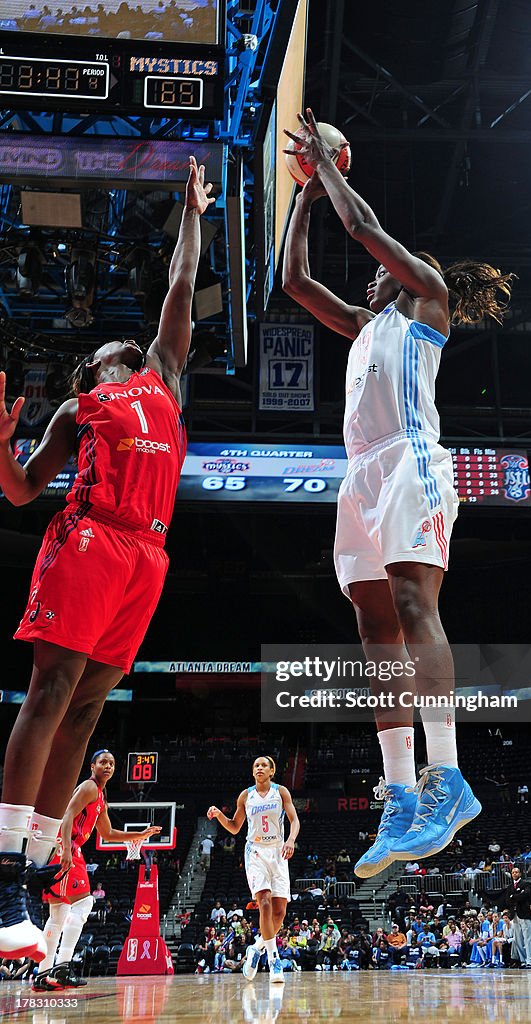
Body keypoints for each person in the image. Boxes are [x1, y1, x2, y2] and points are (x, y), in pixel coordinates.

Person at [283, 110, 513, 878]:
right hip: (361, 477)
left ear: (408, 270)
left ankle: (448, 777)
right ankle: (399, 795)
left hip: (412, 461)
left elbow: (364, 227)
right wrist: (302, 198)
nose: (372, 272)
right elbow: (293, 282)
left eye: (386, 263)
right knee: (375, 634)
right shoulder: (362, 324)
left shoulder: (427, 299)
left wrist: (329, 173)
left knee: (416, 608)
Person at [0, 156, 214, 963]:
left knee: (89, 709)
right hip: (91, 535)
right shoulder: (80, 403)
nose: (129, 338)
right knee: (52, 689)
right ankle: (2, 873)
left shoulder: (162, 376)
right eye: (112, 343)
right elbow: (22, 492)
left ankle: (33, 863)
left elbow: (181, 288)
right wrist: (0, 451)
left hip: (148, 554)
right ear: (95, 366)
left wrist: (192, 211)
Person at [35, 749, 160, 990]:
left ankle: (43, 974)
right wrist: (68, 851)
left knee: (59, 914)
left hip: (61, 846)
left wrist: (140, 835)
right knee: (84, 904)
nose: (108, 766)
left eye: (112, 763)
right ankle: (62, 968)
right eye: (103, 762)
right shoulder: (90, 787)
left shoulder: (100, 796)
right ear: (92, 766)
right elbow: (68, 813)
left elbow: (108, 834)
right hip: (66, 845)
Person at [207, 756, 300, 985]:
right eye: (256, 765)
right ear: (253, 772)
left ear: (271, 772)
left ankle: (256, 948)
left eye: (263, 765)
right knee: (265, 902)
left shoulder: (281, 792)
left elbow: (294, 820)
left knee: (279, 914)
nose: (259, 768)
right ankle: (273, 958)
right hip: (256, 852)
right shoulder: (245, 795)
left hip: (278, 852)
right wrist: (220, 815)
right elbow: (235, 827)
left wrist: (290, 840)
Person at [503, 866, 531, 968]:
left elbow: (526, 895)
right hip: (514, 915)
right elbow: (507, 901)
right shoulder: (509, 887)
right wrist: (517, 895)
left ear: (520, 874)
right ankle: (523, 961)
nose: (515, 874)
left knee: (528, 938)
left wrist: (514, 897)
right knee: (518, 940)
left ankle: (530, 961)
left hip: (524, 914)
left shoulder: (525, 884)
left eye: (516, 872)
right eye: (513, 872)